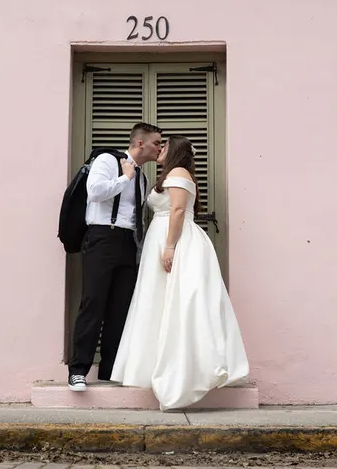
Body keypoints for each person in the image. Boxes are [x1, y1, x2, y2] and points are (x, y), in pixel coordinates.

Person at [110, 135, 249, 410]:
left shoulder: (178, 172)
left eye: (164, 146)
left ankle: (182, 370)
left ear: (175, 152)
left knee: (178, 302)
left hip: (177, 241)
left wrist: (170, 246)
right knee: (160, 302)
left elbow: (176, 210)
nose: (159, 149)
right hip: (162, 240)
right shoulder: (171, 174)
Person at [68, 123, 163, 392]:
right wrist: (125, 178)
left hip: (127, 244)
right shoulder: (107, 160)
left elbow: (136, 219)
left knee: (119, 309)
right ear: (141, 143)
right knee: (93, 303)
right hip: (101, 238)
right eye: (157, 142)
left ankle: (109, 370)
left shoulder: (143, 178)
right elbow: (95, 191)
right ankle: (78, 371)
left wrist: (140, 250)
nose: (160, 148)